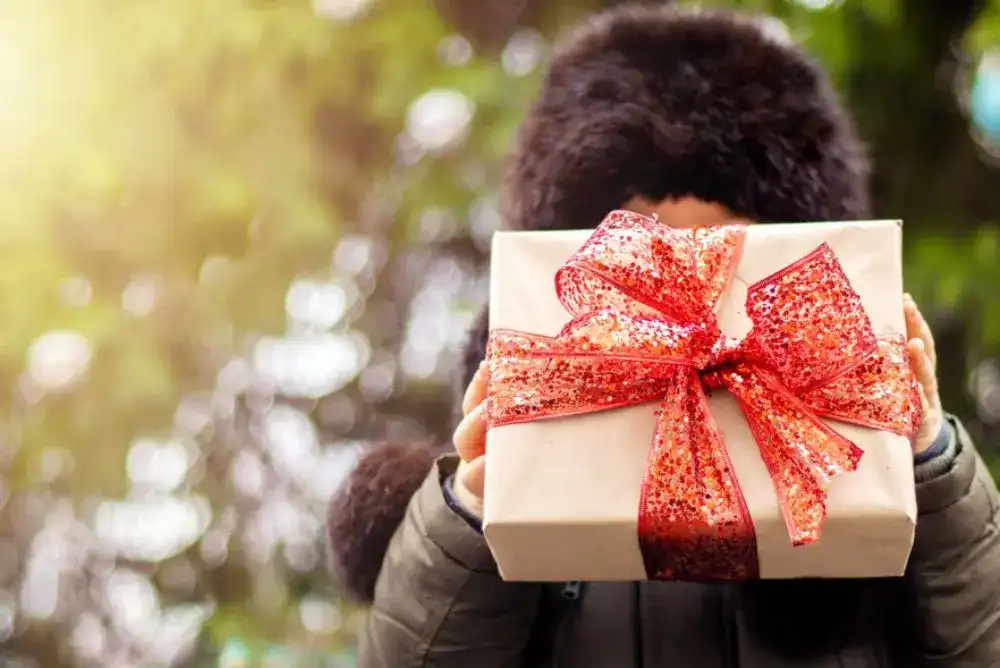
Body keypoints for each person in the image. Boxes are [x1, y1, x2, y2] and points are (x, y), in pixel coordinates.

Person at [325, 6, 1000, 667]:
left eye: (722, 248)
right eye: (648, 249)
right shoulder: (510, 471)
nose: (692, 313)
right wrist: (467, 518)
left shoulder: (884, 485)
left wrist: (929, 464)